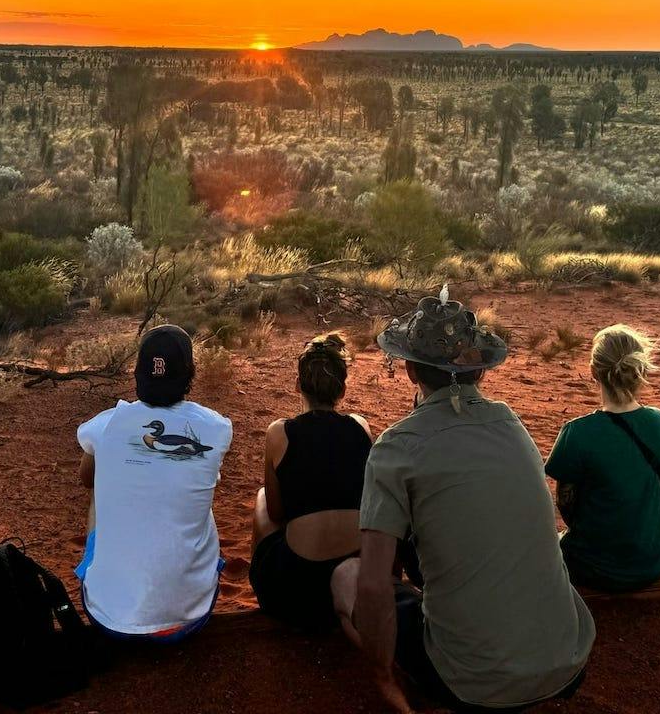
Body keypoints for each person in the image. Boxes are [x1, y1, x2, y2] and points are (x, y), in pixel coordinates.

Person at [332, 295, 593, 713]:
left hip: (469, 683)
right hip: (567, 660)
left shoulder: (397, 446)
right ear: (481, 371)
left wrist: (382, 674)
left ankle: (404, 686)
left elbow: (374, 583)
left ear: (411, 368)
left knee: (348, 575)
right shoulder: (512, 424)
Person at [75, 323, 233, 642]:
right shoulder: (215, 428)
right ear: (190, 374)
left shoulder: (105, 425)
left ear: (138, 374)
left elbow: (86, 478)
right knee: (200, 495)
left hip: (108, 617)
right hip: (188, 617)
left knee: (98, 494)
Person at [250, 332, 374, 631]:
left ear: (298, 385)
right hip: (351, 575)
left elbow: (278, 514)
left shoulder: (279, 432)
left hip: (296, 588)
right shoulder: (361, 427)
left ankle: (262, 584)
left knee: (264, 498)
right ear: (341, 391)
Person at [545, 324, 660, 593]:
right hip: (652, 563)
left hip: (593, 567)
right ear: (639, 371)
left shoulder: (577, 432)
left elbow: (566, 504)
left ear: (594, 372)